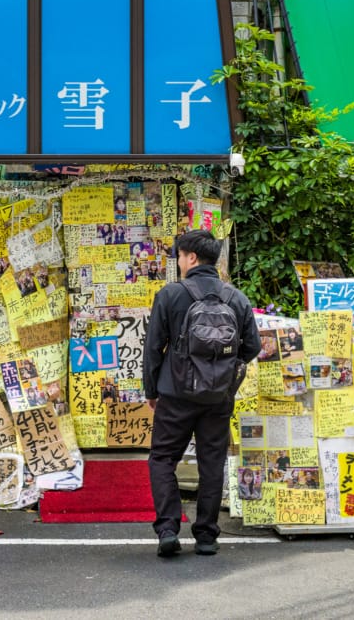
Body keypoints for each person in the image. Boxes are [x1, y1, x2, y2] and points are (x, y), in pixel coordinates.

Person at [143, 229, 260, 557]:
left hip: (175, 393)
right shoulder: (235, 298)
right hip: (218, 398)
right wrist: (222, 370)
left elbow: (154, 348)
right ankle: (206, 535)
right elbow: (252, 347)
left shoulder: (170, 295)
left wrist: (152, 390)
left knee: (163, 458)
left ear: (191, 257)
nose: (178, 261)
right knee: (212, 462)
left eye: (179, 255)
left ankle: (168, 528)